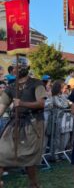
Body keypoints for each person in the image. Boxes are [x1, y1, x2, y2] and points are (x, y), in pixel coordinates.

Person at [0, 57, 47, 188]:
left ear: (27, 68)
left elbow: (41, 103)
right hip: (15, 123)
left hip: (33, 123)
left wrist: (22, 103)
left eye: (20, 66)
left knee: (29, 158)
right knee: (2, 152)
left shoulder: (37, 84)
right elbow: (2, 107)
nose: (17, 69)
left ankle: (34, 184)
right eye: (15, 67)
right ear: (12, 69)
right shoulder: (10, 87)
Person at [45, 80, 72, 161]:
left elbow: (68, 103)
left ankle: (61, 152)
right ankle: (55, 155)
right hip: (56, 120)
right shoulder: (53, 97)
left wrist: (68, 103)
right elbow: (62, 105)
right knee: (56, 138)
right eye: (63, 88)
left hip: (64, 120)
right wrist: (68, 104)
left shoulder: (63, 96)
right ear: (58, 88)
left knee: (65, 137)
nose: (65, 89)